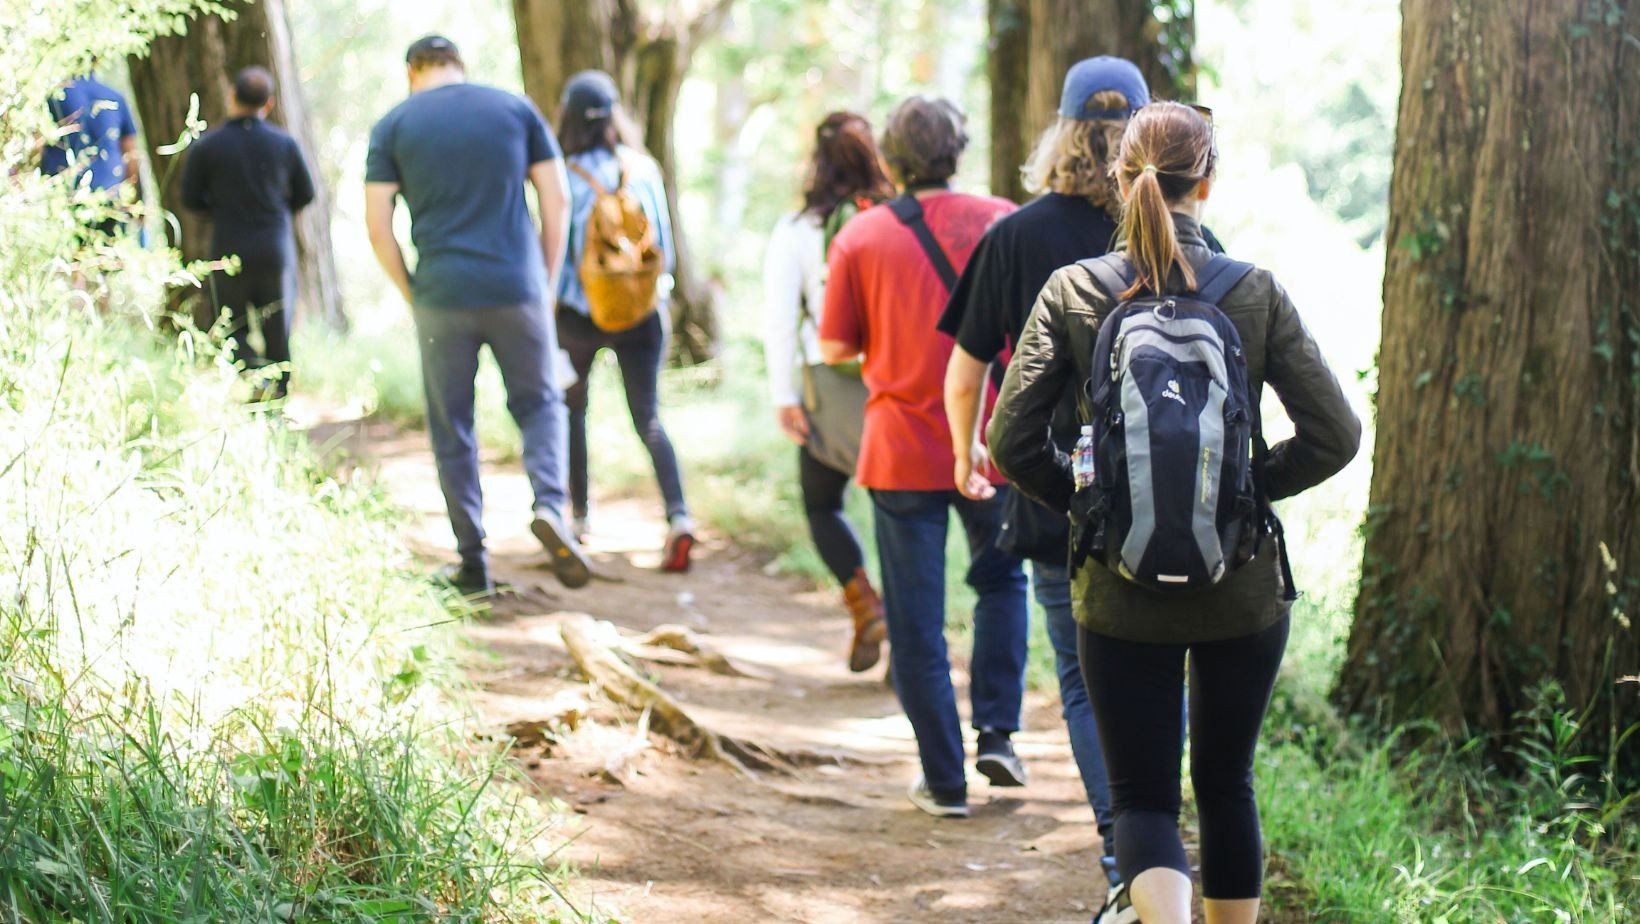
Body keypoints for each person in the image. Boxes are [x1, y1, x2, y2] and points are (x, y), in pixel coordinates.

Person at [989, 102, 1361, 923]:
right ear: (1210, 180)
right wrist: (1248, 492)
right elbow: (1337, 433)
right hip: (1242, 587)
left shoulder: (1073, 291)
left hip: (1120, 592)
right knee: (1227, 784)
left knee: (1144, 801)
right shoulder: (1255, 292)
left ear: (1120, 181)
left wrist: (1093, 507)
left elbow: (1009, 440)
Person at [939, 55, 1160, 891]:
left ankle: (1123, 854)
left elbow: (965, 371)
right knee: (1161, 662)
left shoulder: (1017, 236)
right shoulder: (1178, 230)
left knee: (1081, 674)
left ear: (1062, 133)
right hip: (1170, 492)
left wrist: (968, 453)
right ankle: (1160, 841)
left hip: (1053, 491)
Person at [819, 96, 1028, 818]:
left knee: (915, 619)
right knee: (1003, 583)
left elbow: (835, 346)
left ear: (893, 159)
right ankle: (998, 732)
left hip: (903, 449)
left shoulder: (861, 237)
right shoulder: (1003, 219)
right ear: (959, 149)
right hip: (993, 441)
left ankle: (944, 780)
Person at [365, 35, 592, 596]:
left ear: (412, 71)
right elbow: (555, 198)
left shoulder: (394, 124)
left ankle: (473, 563)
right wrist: (543, 279)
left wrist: (410, 290)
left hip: (441, 295)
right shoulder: (514, 108)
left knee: (453, 428)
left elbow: (377, 223)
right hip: (516, 288)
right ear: (459, 67)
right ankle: (551, 505)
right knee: (541, 404)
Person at [762, 111, 895, 672]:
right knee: (899, 514)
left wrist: (784, 396)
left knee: (822, 503)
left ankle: (864, 601)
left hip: (828, 384)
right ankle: (909, 640)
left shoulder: (798, 230)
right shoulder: (898, 219)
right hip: (897, 384)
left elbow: (778, 319)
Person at [555, 70, 695, 573]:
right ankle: (679, 517)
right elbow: (667, 253)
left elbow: (556, 256)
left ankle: (577, 516)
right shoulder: (643, 169)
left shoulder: (560, 174)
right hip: (641, 313)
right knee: (649, 417)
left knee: (573, 411)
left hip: (578, 315)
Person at [181, 66, 316, 400]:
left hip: (229, 247)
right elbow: (307, 193)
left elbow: (189, 200)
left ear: (232, 95)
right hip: (275, 248)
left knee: (231, 326)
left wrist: (219, 209)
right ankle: (278, 398)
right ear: (268, 104)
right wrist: (279, 210)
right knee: (278, 328)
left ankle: (255, 379)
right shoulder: (284, 143)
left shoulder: (208, 146)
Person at [42, 67, 140, 234]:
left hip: (63, 198)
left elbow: (36, 146)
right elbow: (131, 155)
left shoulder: (54, 97)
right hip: (110, 199)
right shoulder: (115, 98)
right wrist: (136, 200)